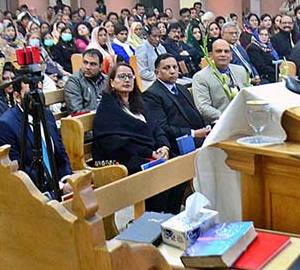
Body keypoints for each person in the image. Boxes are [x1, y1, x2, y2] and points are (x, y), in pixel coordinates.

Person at [92, 63, 185, 213]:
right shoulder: (108, 109)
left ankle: (170, 214)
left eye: (130, 76)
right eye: (122, 77)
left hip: (151, 152)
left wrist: (163, 146)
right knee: (157, 173)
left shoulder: (138, 103)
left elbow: (156, 128)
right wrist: (149, 153)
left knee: (178, 166)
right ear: (112, 82)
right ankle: (153, 218)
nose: (127, 80)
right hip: (124, 157)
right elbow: (113, 142)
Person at [0, 78, 72, 191]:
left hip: (60, 184)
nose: (37, 98)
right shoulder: (5, 126)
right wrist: (59, 187)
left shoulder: (47, 115)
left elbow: (60, 152)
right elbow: (19, 170)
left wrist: (66, 179)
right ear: (17, 97)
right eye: (30, 94)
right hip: (32, 192)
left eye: (39, 92)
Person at [143, 54, 210, 154]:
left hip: (200, 138)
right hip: (179, 145)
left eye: (175, 67)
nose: (172, 71)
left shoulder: (182, 88)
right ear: (157, 73)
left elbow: (195, 112)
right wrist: (193, 133)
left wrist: (207, 125)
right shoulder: (151, 94)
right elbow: (162, 127)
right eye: (166, 68)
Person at [191, 39, 249, 123]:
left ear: (231, 55)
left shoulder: (240, 71)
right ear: (211, 55)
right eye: (219, 51)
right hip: (220, 122)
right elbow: (203, 107)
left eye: (226, 51)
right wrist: (226, 116)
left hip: (245, 118)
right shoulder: (201, 77)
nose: (223, 54)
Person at [63, 49, 106, 115]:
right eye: (85, 62)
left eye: (93, 64)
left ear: (100, 67)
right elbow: (76, 112)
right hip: (85, 121)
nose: (88, 67)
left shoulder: (106, 80)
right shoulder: (74, 82)